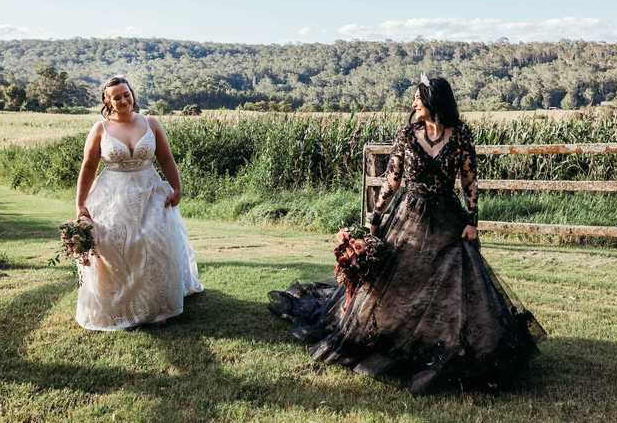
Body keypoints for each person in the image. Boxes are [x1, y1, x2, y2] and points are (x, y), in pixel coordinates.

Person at [269, 75, 546, 394]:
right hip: (407, 216)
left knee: (452, 283)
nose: (413, 102)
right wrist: (376, 215)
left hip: (447, 219)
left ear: (433, 101)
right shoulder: (407, 134)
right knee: (399, 280)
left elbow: (470, 181)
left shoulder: (461, 135)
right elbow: (392, 179)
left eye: (418, 97)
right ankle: (395, 335)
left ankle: (444, 339)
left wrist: (472, 220)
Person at [75, 76, 203, 331]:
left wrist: (177, 187)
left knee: (154, 244)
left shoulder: (151, 123)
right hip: (113, 196)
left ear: (132, 94)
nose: (123, 100)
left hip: (151, 192)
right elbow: (88, 167)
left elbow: (166, 158)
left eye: (126, 94)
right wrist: (80, 204)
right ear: (107, 101)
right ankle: (122, 307)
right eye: (116, 97)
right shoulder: (100, 129)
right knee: (118, 247)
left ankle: (157, 308)